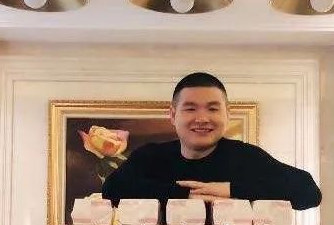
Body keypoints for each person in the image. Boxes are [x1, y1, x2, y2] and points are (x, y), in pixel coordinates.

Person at [101, 72, 321, 210]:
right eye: (190, 109)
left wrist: (229, 189)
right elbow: (112, 189)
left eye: (213, 109)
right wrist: (186, 195)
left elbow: (308, 192)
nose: (202, 118)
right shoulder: (150, 157)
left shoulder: (247, 157)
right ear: (173, 115)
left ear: (227, 114)